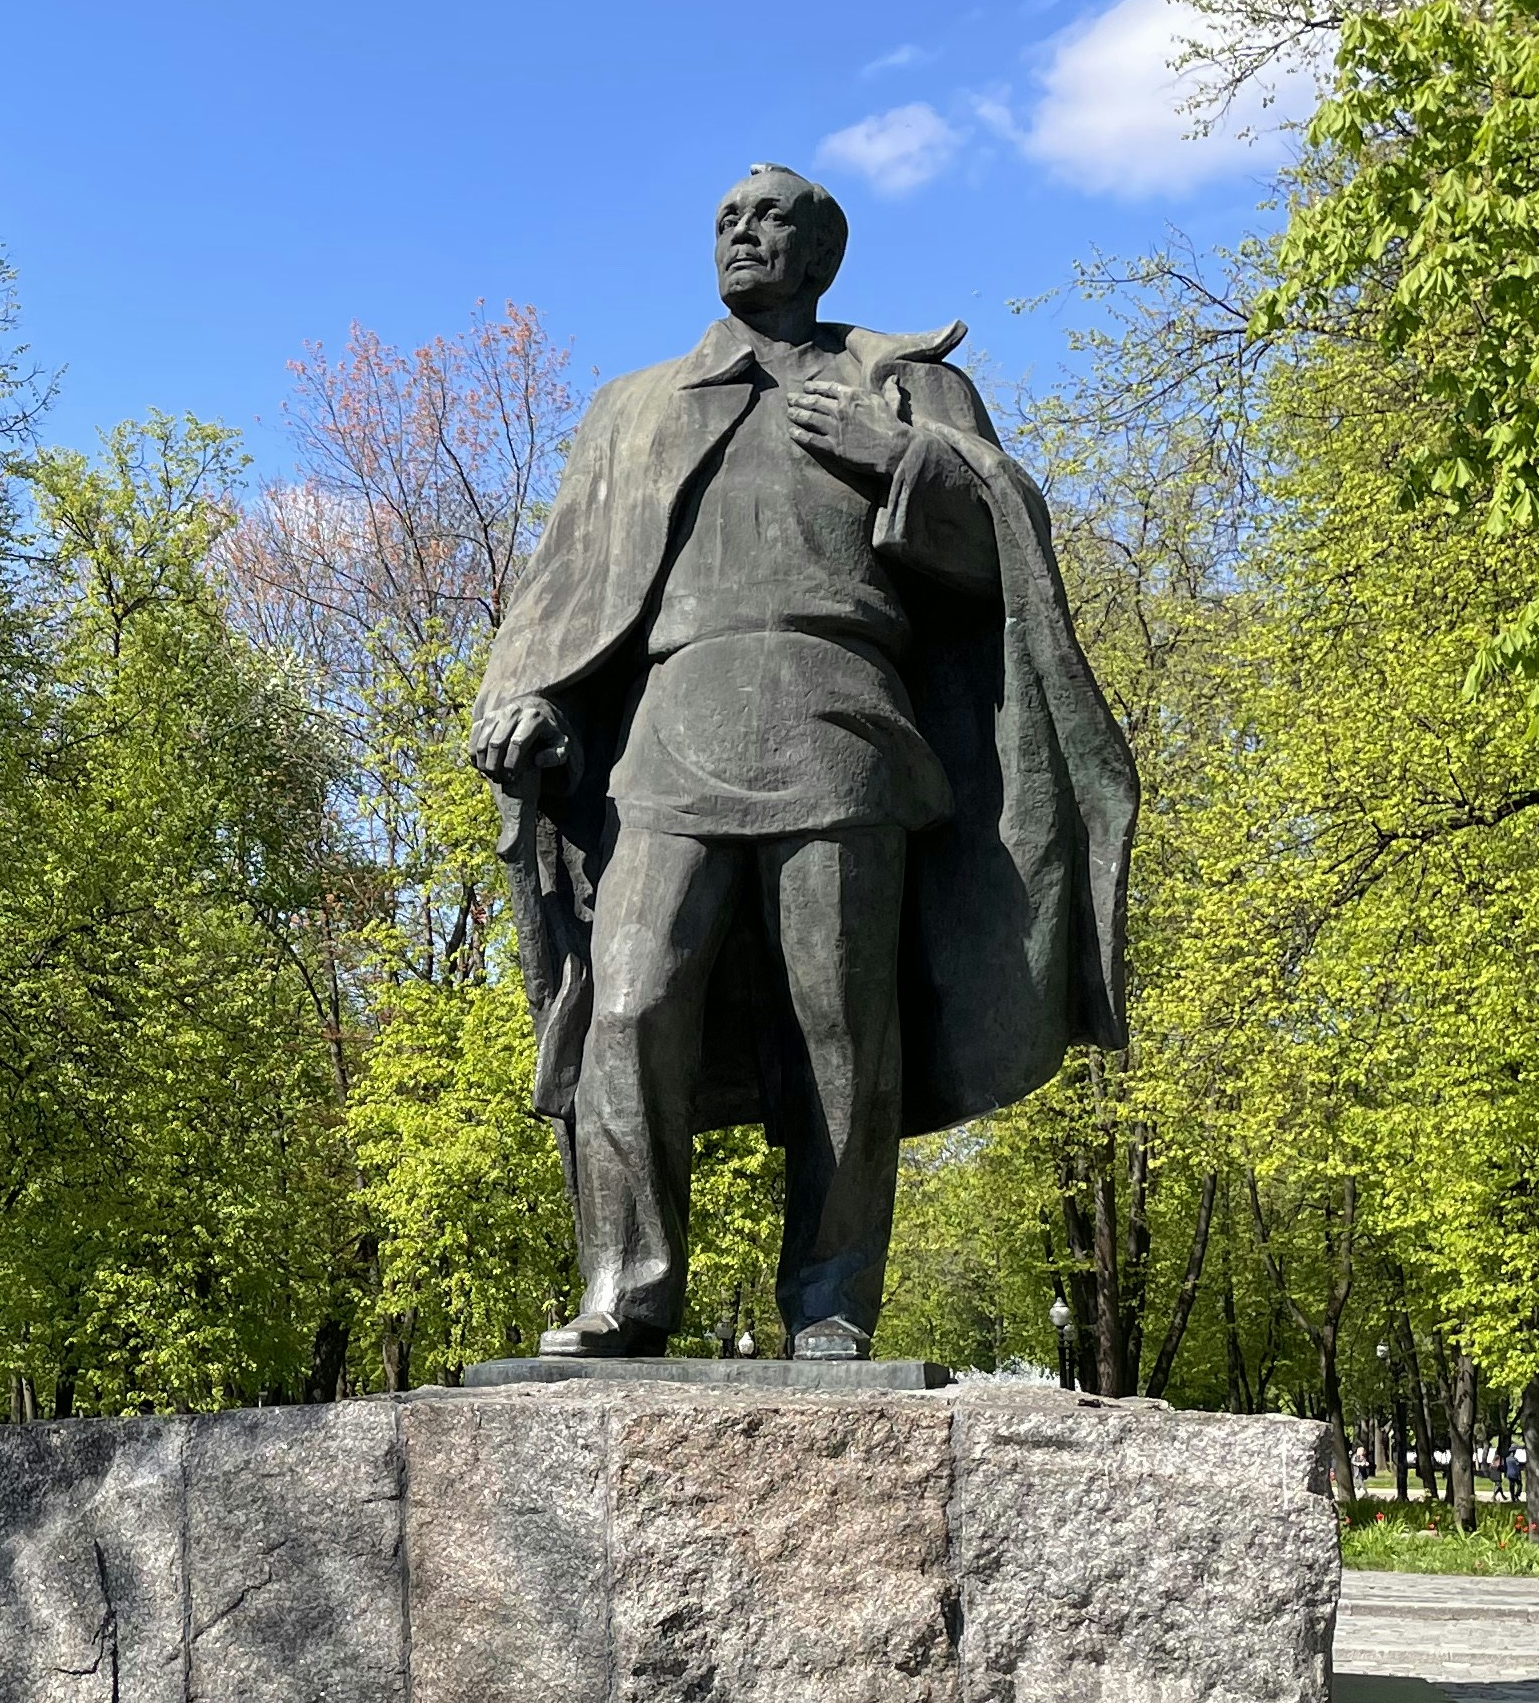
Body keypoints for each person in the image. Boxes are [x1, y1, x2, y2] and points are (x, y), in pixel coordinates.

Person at [471, 166, 1135, 1357]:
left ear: (825, 252)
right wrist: (526, 697)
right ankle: (626, 1292)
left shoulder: (902, 381)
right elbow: (563, 584)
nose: (744, 233)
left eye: (772, 217)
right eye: (726, 217)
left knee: (842, 1020)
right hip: (673, 726)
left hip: (844, 723)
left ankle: (830, 1303)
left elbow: (1012, 568)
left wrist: (906, 460)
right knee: (628, 1007)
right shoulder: (636, 406)